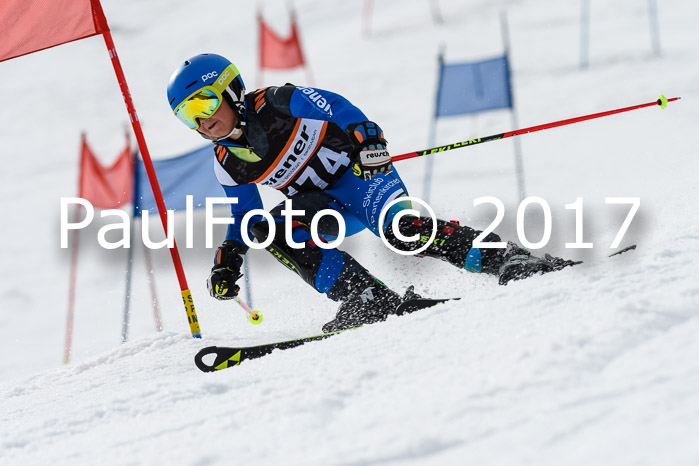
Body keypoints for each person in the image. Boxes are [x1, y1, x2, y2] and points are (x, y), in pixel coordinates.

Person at [166, 53, 578, 332]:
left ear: (230, 90)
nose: (201, 122)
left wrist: (367, 138)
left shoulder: (275, 102)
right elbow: (246, 217)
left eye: (204, 105)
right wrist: (229, 257)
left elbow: (337, 107)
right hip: (323, 207)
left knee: (401, 232)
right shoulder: (227, 161)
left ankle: (510, 259)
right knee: (268, 229)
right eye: (187, 115)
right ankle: (367, 298)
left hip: (362, 176)